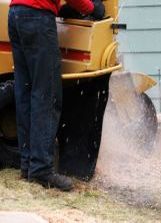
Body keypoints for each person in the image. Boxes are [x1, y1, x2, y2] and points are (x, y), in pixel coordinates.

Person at [7, 0, 104, 191]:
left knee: (25, 93)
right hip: (37, 18)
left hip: (16, 14)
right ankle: (41, 169)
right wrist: (92, 9)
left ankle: (28, 165)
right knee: (46, 94)